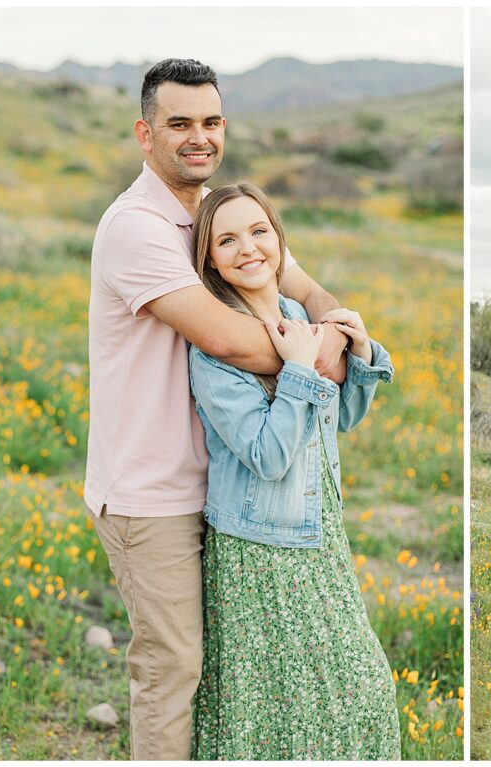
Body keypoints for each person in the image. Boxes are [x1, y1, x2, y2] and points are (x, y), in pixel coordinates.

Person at [85, 58, 348, 759]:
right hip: (153, 492)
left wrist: (337, 323)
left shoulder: (217, 218)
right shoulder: (136, 227)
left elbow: (310, 289)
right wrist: (322, 352)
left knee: (228, 676)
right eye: (179, 124)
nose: (197, 137)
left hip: (225, 485)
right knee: (174, 672)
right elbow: (232, 342)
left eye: (210, 121)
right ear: (146, 134)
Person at [187, 183, 399, 759]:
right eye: (227, 239)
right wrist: (302, 369)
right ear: (210, 258)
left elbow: (342, 418)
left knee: (360, 691)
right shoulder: (213, 349)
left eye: (258, 232)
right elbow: (268, 455)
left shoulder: (301, 316)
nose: (247, 248)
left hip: (321, 530)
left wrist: (357, 352)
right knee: (271, 705)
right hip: (258, 545)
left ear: (279, 241)